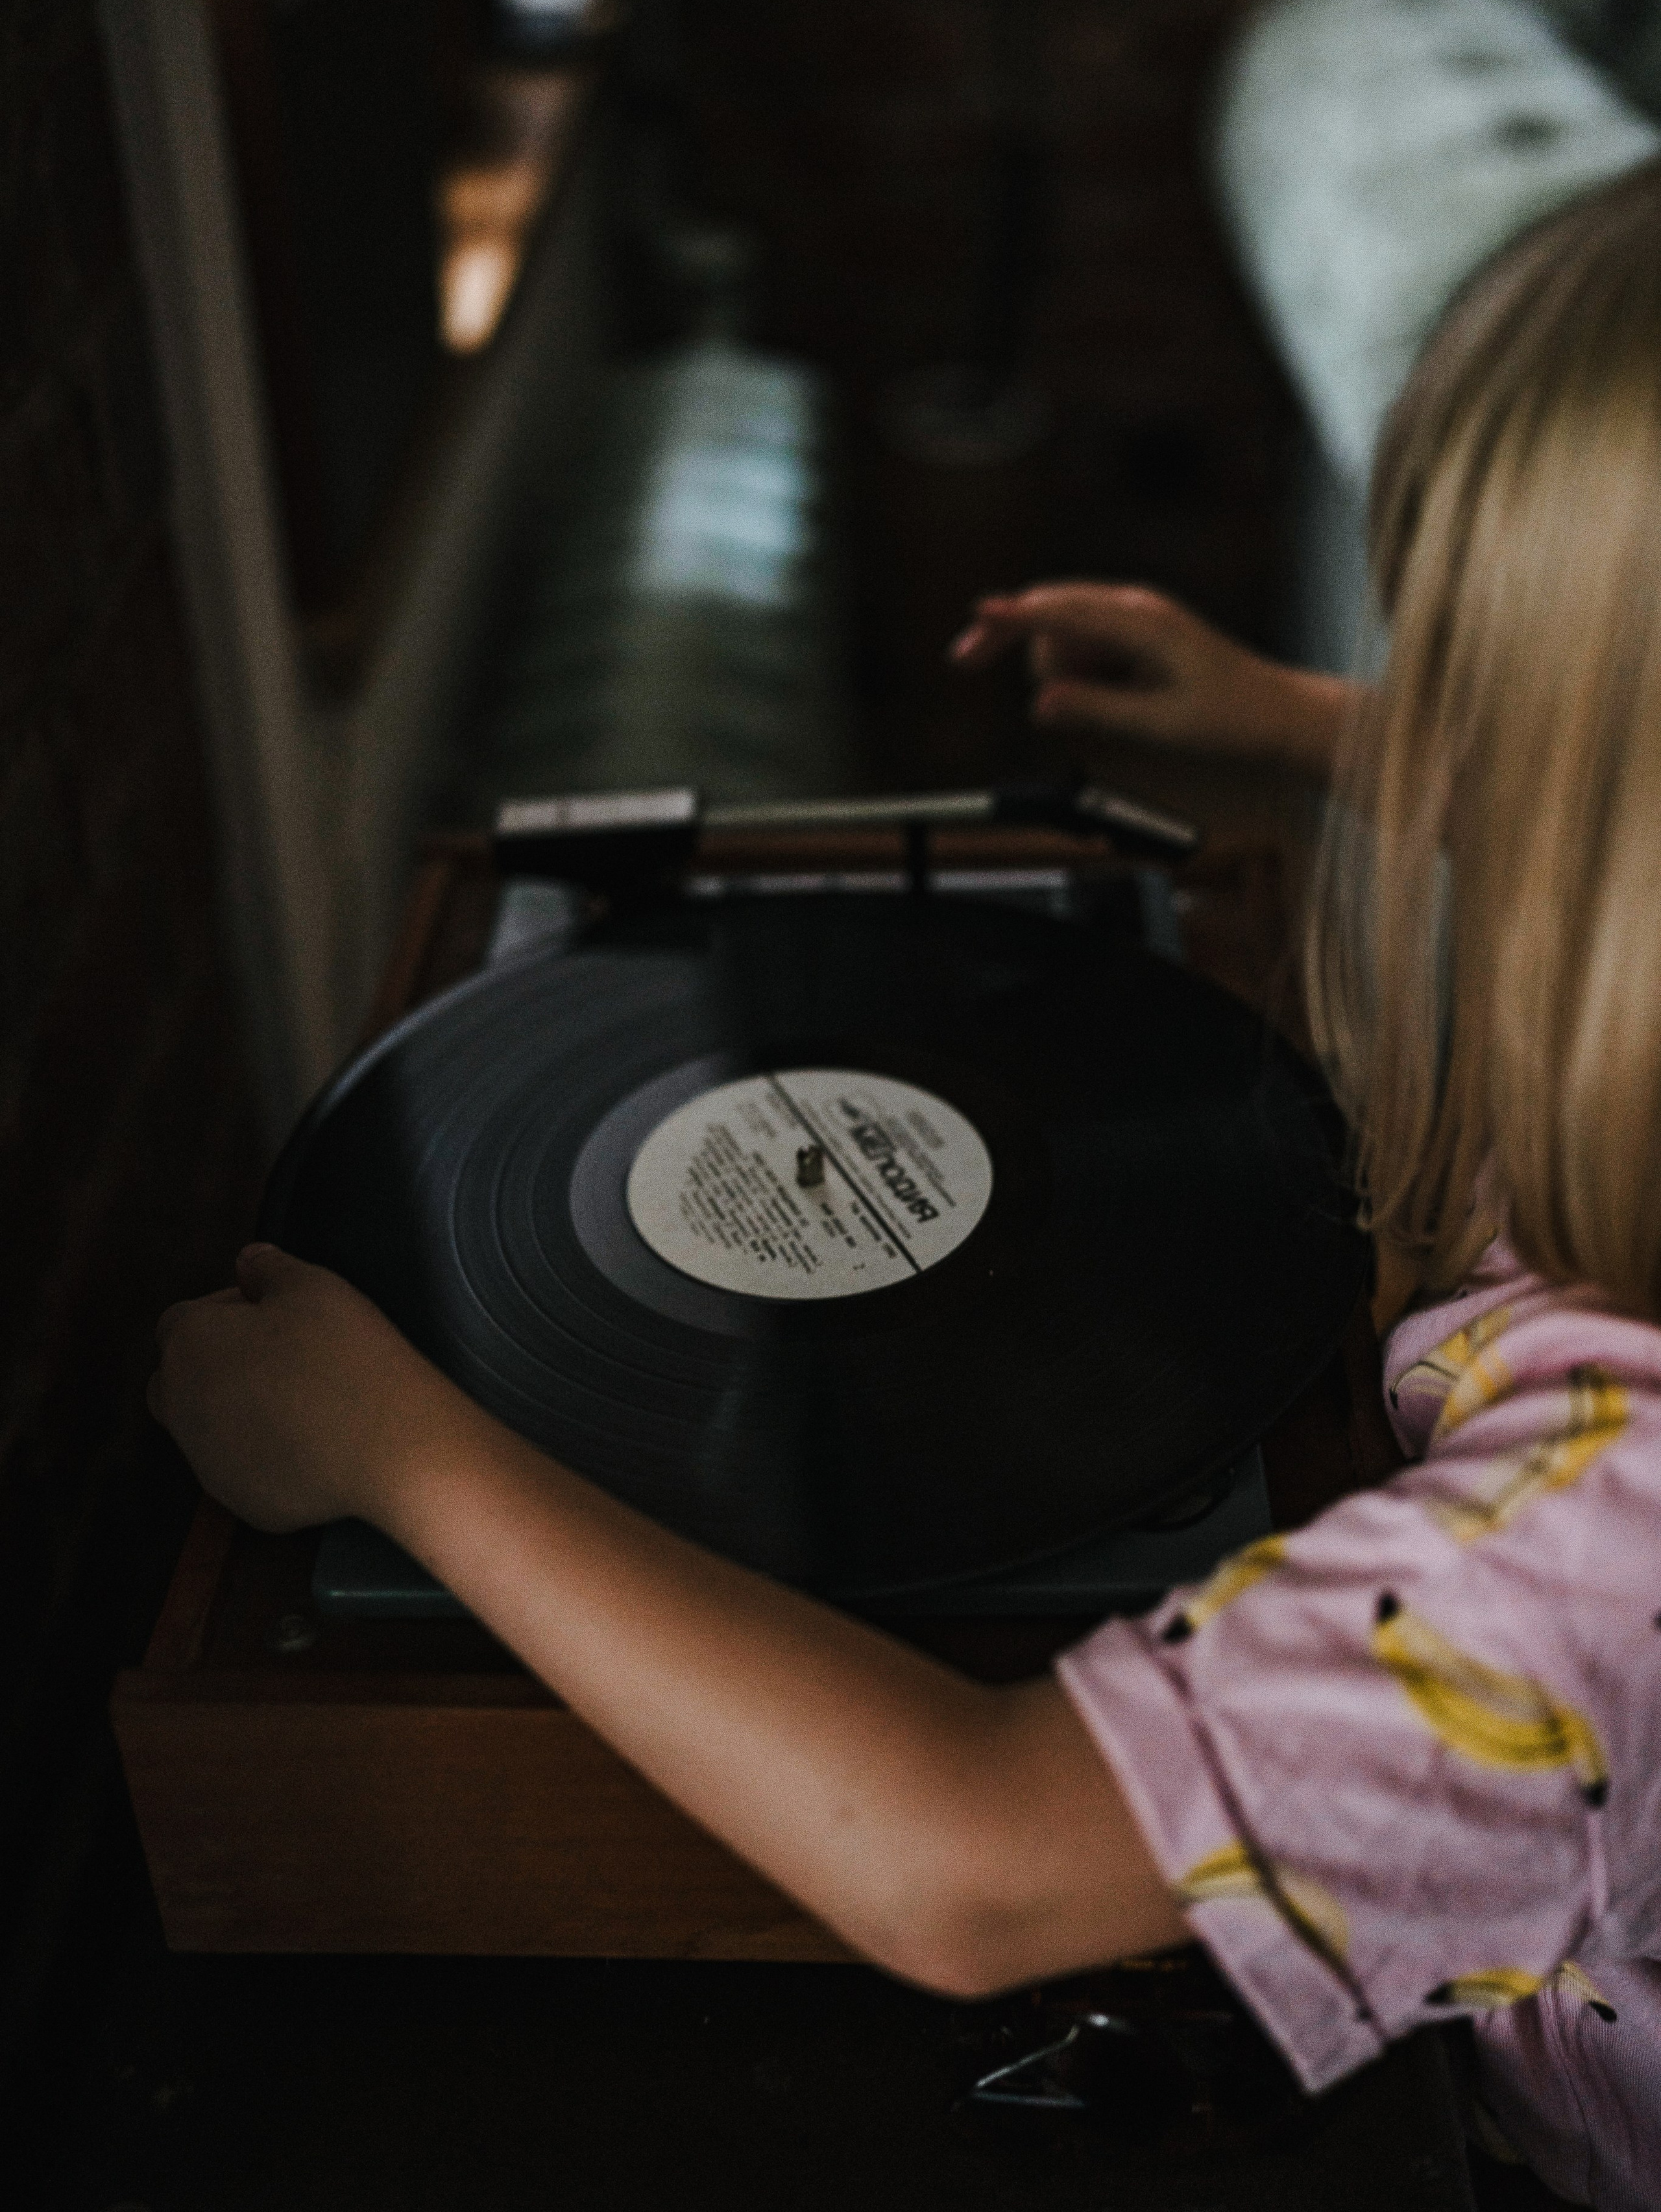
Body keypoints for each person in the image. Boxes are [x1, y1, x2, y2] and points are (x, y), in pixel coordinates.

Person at [152, 165, 1661, 2211]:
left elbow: (965, 1859)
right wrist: (1302, 730)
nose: (1452, 750)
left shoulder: (1595, 1582)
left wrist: (402, 1453)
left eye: (1487, 703)